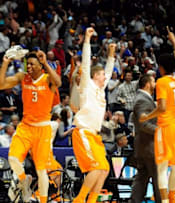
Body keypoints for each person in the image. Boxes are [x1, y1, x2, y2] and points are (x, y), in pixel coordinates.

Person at [0, 49, 61, 203]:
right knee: (13, 158)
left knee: (41, 170)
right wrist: (5, 62)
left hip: (43, 128)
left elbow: (58, 82)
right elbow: (1, 85)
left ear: (40, 66)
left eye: (32, 64)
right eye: (27, 64)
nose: (29, 67)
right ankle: (24, 182)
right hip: (25, 127)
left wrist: (45, 62)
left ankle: (43, 200)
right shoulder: (23, 77)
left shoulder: (47, 79)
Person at [139, 27, 175, 203]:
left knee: (161, 168)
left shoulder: (162, 82)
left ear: (160, 68)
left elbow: (161, 108)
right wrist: (173, 38)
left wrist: (146, 117)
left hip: (166, 127)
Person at [71, 27, 116, 203]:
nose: (106, 76)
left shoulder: (100, 89)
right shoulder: (87, 85)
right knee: (96, 168)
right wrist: (88, 40)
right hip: (83, 132)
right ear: (95, 75)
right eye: (102, 74)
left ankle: (92, 200)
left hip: (95, 136)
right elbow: (86, 62)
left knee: (104, 169)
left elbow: (110, 70)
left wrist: (111, 54)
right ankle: (80, 200)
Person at [129, 74, 161, 203]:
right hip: (149, 146)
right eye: (153, 81)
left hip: (143, 146)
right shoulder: (142, 100)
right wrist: (161, 131)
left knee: (142, 178)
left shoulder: (142, 98)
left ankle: (134, 201)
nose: (156, 84)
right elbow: (144, 124)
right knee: (158, 178)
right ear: (147, 84)